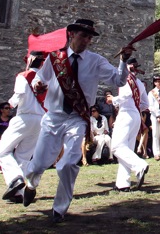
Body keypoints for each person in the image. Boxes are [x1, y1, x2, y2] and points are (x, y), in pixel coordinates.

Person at [23, 19, 133, 223]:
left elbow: (118, 81)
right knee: (38, 163)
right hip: (54, 117)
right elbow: (41, 79)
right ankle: (31, 184)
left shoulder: (96, 61)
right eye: (83, 35)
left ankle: (59, 208)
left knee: (68, 164)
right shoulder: (55, 58)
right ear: (71, 34)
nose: (87, 40)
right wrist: (38, 85)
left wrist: (124, 61)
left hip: (78, 118)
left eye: (90, 37)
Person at [0, 51, 47, 202]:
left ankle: (15, 179)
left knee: (3, 151)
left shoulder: (23, 76)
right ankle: (19, 193)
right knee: (23, 156)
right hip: (40, 119)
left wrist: (10, 103)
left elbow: (18, 95)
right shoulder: (46, 79)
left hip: (24, 117)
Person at [111, 57, 150, 192]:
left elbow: (126, 94)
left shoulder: (125, 79)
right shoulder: (139, 82)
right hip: (135, 115)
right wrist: (136, 108)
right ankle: (123, 184)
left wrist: (114, 100)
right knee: (126, 149)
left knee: (116, 147)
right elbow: (146, 104)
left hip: (126, 113)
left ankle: (139, 165)